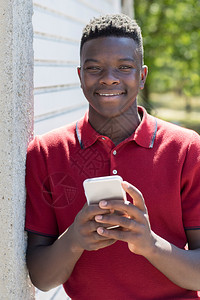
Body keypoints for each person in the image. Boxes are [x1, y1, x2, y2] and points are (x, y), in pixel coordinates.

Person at [25, 14, 200, 299]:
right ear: (80, 77)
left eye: (124, 67)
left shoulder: (186, 149)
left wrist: (150, 245)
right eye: (94, 68)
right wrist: (74, 239)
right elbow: (43, 280)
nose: (108, 78)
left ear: (141, 76)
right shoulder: (45, 152)